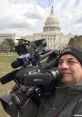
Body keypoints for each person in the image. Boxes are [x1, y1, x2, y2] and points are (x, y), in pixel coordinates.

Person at [19, 47, 82, 117]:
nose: (63, 66)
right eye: (60, 62)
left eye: (71, 62)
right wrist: (25, 103)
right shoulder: (51, 89)